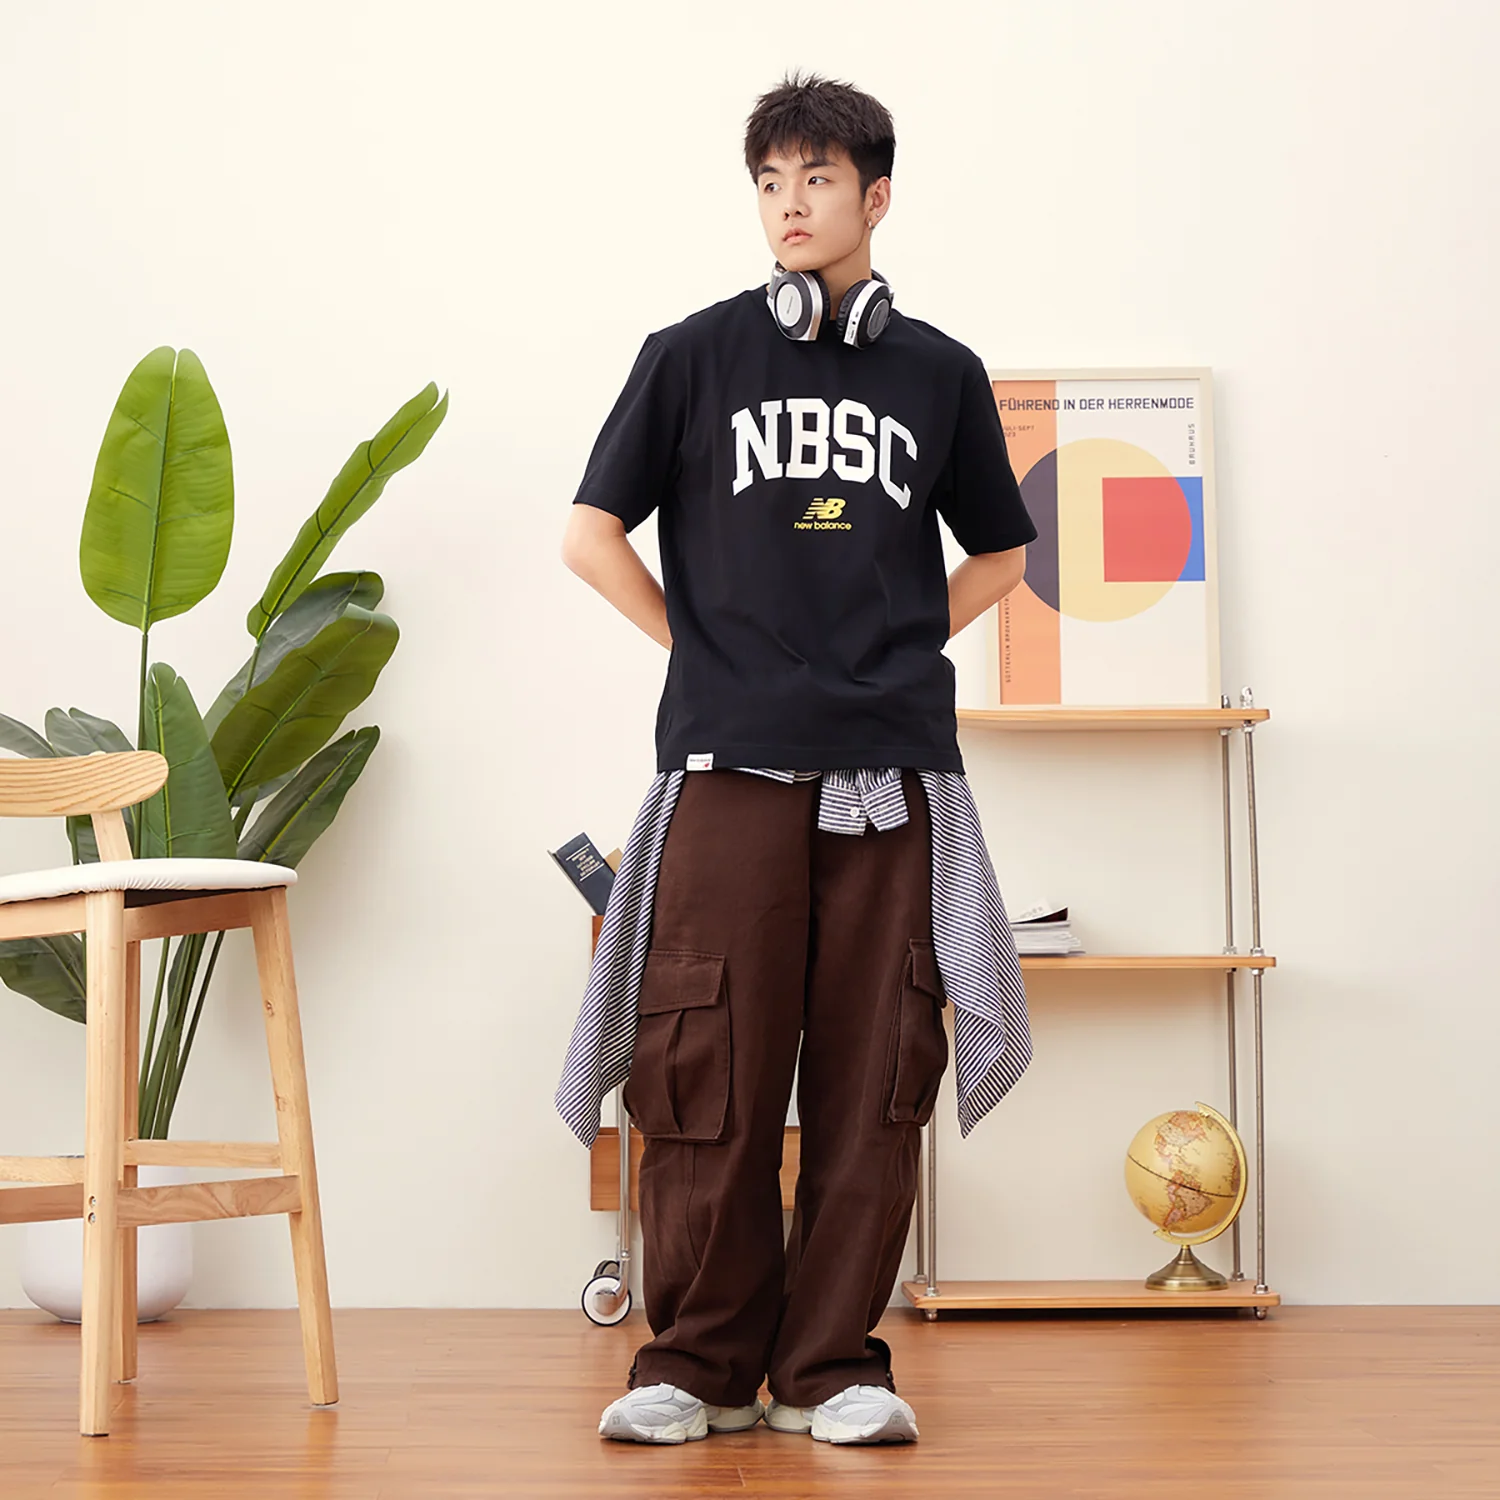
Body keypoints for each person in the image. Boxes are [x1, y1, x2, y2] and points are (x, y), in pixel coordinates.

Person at [555, 69, 1038, 1447]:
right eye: (770, 182)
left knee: (877, 1065)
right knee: (702, 1055)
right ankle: (697, 1364)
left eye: (817, 179)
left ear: (875, 197)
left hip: (891, 770)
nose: (789, 205)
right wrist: (703, 653)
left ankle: (832, 1366)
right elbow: (589, 536)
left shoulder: (938, 373)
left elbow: (1003, 555)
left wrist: (895, 648)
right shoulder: (690, 356)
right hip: (729, 767)